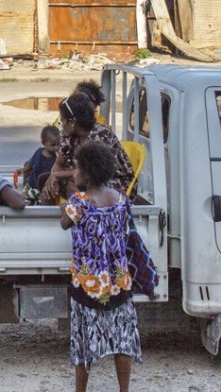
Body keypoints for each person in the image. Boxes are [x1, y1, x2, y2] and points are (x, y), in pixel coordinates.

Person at [59, 141, 142, 392]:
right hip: (118, 281)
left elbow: (64, 223)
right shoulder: (120, 199)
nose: (74, 172)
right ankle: (123, 389)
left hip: (88, 284)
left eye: (76, 168)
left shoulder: (79, 202)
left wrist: (65, 203)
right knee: (122, 339)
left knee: (83, 341)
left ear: (87, 172)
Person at [42, 93, 134, 206]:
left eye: (62, 121)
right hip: (84, 179)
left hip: (109, 182)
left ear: (71, 123)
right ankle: (50, 219)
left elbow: (92, 174)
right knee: (45, 181)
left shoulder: (100, 135)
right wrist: (53, 179)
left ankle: (80, 216)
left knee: (71, 185)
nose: (61, 125)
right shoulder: (69, 136)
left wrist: (57, 175)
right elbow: (58, 163)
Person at [17, 125, 60, 192]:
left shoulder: (56, 158)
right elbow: (30, 164)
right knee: (26, 199)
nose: (56, 147)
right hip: (31, 184)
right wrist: (22, 170)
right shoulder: (39, 152)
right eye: (53, 145)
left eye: (58, 144)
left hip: (43, 187)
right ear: (43, 143)